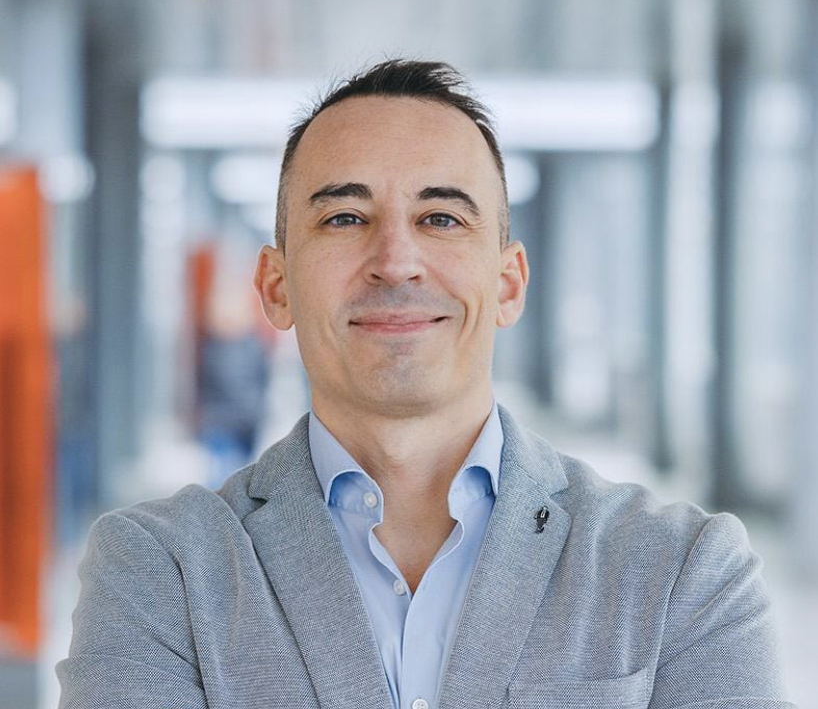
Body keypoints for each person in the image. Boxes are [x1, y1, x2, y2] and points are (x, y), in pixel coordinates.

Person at [57, 60, 795, 709]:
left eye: (441, 217)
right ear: (276, 287)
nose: (396, 260)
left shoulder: (681, 573)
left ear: (508, 284)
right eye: (345, 217)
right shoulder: (160, 572)